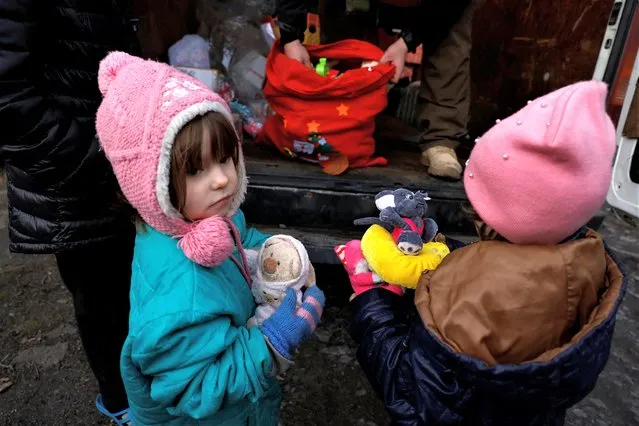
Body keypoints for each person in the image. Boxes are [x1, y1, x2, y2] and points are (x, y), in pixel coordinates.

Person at [341, 81, 627, 425]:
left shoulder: (475, 302)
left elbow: (413, 397)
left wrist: (372, 303)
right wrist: (452, 257)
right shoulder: (588, 263)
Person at [95, 51, 326, 425]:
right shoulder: (181, 295)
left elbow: (241, 236)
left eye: (225, 158)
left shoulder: (207, 215)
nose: (221, 179)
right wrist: (272, 342)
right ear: (152, 186)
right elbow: (196, 389)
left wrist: (274, 256)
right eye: (197, 169)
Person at [0, 1, 139, 423]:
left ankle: (144, 398)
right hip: (78, 174)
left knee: (136, 290)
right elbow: (8, 100)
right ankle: (122, 406)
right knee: (104, 302)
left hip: (115, 166)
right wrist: (99, 162)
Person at [275, 0, 473, 180]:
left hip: (433, 6)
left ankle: (441, 139)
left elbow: (449, 6)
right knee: (345, 27)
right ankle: (338, 126)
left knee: (451, 36)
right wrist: (291, 37)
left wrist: (406, 42)